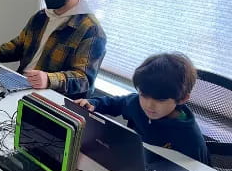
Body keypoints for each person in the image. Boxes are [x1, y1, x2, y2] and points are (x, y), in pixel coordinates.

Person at [74, 52, 209, 164]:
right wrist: (92, 104)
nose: (149, 105)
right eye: (143, 95)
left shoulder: (190, 138)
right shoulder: (136, 103)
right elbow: (114, 103)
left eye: (160, 100)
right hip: (136, 163)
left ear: (182, 99)